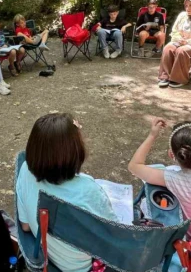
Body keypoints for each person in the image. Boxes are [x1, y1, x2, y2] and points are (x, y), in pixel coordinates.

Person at [16, 113, 117, 272]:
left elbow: (26, 226)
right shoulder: (88, 190)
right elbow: (112, 238)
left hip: (46, 259)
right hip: (82, 268)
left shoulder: (25, 170)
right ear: (75, 152)